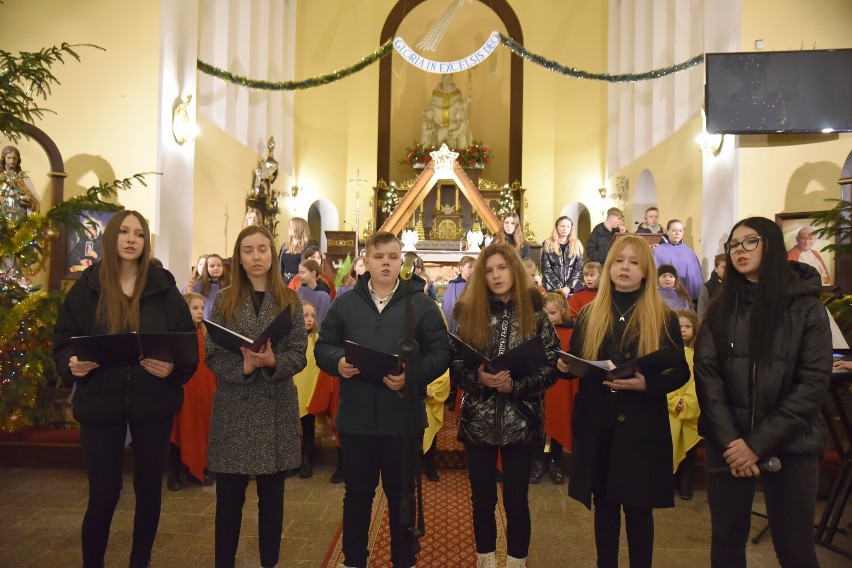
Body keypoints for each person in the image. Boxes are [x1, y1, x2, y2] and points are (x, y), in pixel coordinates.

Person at [52, 210, 197, 568]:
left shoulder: (163, 287)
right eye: (125, 232)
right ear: (112, 236)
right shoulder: (87, 287)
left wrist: (173, 368)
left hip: (153, 402)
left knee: (149, 491)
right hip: (101, 401)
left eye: (140, 234)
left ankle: (140, 562)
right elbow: (62, 343)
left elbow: (187, 348)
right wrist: (71, 362)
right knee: (103, 493)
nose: (132, 239)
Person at [694, 216, 831, 568]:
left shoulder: (807, 309)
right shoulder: (719, 310)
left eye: (750, 242)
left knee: (795, 548)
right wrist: (733, 443)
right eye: (734, 244)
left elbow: (812, 384)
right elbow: (708, 379)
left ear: (770, 245)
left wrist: (756, 445)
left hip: (791, 444)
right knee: (726, 542)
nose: (740, 250)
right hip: (728, 444)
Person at [314, 231, 450, 568]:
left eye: (392, 256)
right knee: (357, 495)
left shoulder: (419, 303)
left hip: (401, 418)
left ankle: (403, 560)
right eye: (379, 257)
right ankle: (354, 560)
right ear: (367, 261)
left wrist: (412, 374)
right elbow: (323, 346)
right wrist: (338, 362)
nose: (386, 263)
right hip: (358, 415)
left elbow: (442, 352)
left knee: (401, 496)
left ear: (401, 260)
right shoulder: (344, 303)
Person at [557, 234, 689, 568]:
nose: (625, 268)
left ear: (646, 271)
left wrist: (648, 384)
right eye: (618, 261)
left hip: (641, 426)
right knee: (604, 506)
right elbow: (580, 360)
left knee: (638, 510)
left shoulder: (663, 316)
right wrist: (566, 366)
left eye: (633, 262)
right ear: (608, 268)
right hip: (599, 422)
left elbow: (680, 372)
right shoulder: (590, 313)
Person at [451, 242, 561, 568]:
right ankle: (485, 559)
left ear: (514, 269)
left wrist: (517, 385)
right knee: (482, 499)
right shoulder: (470, 314)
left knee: (516, 499)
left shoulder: (537, 316)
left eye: (501, 268)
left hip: (522, 419)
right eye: (488, 270)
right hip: (479, 419)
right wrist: (479, 380)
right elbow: (456, 364)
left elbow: (551, 367)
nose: (496, 276)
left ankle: (516, 562)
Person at [205, 224, 308, 568]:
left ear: (272, 254)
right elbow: (213, 354)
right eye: (248, 250)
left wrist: (273, 361)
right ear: (239, 257)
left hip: (275, 407)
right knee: (229, 501)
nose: (256, 256)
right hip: (235, 410)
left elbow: (298, 352)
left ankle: (270, 562)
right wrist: (245, 367)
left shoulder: (290, 299)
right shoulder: (223, 299)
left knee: (272, 501)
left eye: (262, 249)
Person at [168, 292, 218, 490]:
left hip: (204, 389)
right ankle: (175, 474)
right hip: (184, 388)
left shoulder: (207, 334)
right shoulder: (177, 335)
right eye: (194, 308)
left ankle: (200, 469)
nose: (199, 312)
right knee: (181, 429)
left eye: (201, 308)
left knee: (203, 428)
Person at [532, 292, 576, 485]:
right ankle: (537, 461)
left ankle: (555, 461)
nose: (548, 317)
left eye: (552, 313)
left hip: (560, 386)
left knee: (558, 421)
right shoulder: (537, 331)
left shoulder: (570, 332)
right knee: (540, 423)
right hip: (540, 384)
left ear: (562, 312)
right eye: (545, 312)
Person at [668, 309, 701, 501]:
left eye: (687, 326)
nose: (683, 330)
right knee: (669, 444)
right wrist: (673, 401)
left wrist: (687, 402)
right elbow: (664, 379)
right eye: (679, 326)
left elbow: (699, 382)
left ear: (695, 330)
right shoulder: (669, 354)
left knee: (689, 450)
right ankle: (670, 480)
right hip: (671, 408)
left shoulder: (699, 355)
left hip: (691, 408)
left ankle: (686, 484)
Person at [293, 301, 321, 479]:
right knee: (293, 428)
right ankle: (294, 460)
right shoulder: (292, 340)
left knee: (308, 427)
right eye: (305, 315)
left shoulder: (317, 339)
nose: (309, 319)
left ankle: (307, 459)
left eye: (312, 316)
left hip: (311, 391)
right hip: (294, 390)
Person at [652, 219, 703, 300]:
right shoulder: (657, 251)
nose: (677, 233)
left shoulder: (689, 252)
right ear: (667, 231)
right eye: (674, 230)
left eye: (680, 230)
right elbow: (653, 274)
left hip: (686, 297)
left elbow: (695, 278)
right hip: (664, 297)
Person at [420, 73, 470, 149]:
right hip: (438, 125)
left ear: (452, 79)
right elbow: (432, 105)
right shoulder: (436, 93)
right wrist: (430, 111)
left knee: (460, 139)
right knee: (435, 137)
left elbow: (460, 107)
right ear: (442, 79)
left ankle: (461, 156)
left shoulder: (457, 92)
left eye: (449, 79)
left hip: (453, 125)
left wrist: (466, 103)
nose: (447, 81)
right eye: (446, 78)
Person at [540, 215, 585, 297]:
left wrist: (568, 287)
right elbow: (546, 269)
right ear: (557, 227)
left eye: (568, 226)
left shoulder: (577, 245)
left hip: (572, 289)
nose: (565, 229)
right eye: (562, 226)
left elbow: (579, 268)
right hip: (552, 289)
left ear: (571, 229)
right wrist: (559, 288)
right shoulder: (548, 244)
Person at [0, 145, 40, 222]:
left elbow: (34, 199)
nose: (12, 161)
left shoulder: (23, 177)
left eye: (14, 158)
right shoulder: (0, 176)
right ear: (4, 159)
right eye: (9, 158)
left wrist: (29, 202)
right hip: (3, 215)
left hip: (20, 214)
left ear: (18, 160)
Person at [191, 253, 232, 320]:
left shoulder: (229, 285)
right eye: (212, 266)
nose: (216, 268)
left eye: (219, 265)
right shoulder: (197, 286)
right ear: (206, 268)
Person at [278, 217, 318, 284]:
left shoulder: (309, 246)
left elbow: (311, 266)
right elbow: (279, 265)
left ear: (299, 229)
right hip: (284, 282)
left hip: (300, 282)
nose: (288, 229)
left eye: (291, 227)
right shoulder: (285, 246)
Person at [441, 255, 475, 333]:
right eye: (469, 267)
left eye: (475, 267)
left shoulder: (478, 286)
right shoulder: (453, 286)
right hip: (457, 327)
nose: (473, 270)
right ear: (461, 268)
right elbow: (448, 309)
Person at [296, 259, 331, 330]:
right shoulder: (299, 292)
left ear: (313, 273)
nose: (299, 275)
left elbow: (322, 320)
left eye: (303, 272)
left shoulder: (323, 296)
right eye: (299, 273)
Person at [697, 253, 725, 319]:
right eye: (723, 267)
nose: (727, 270)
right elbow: (701, 314)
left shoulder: (736, 284)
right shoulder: (707, 287)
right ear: (716, 268)